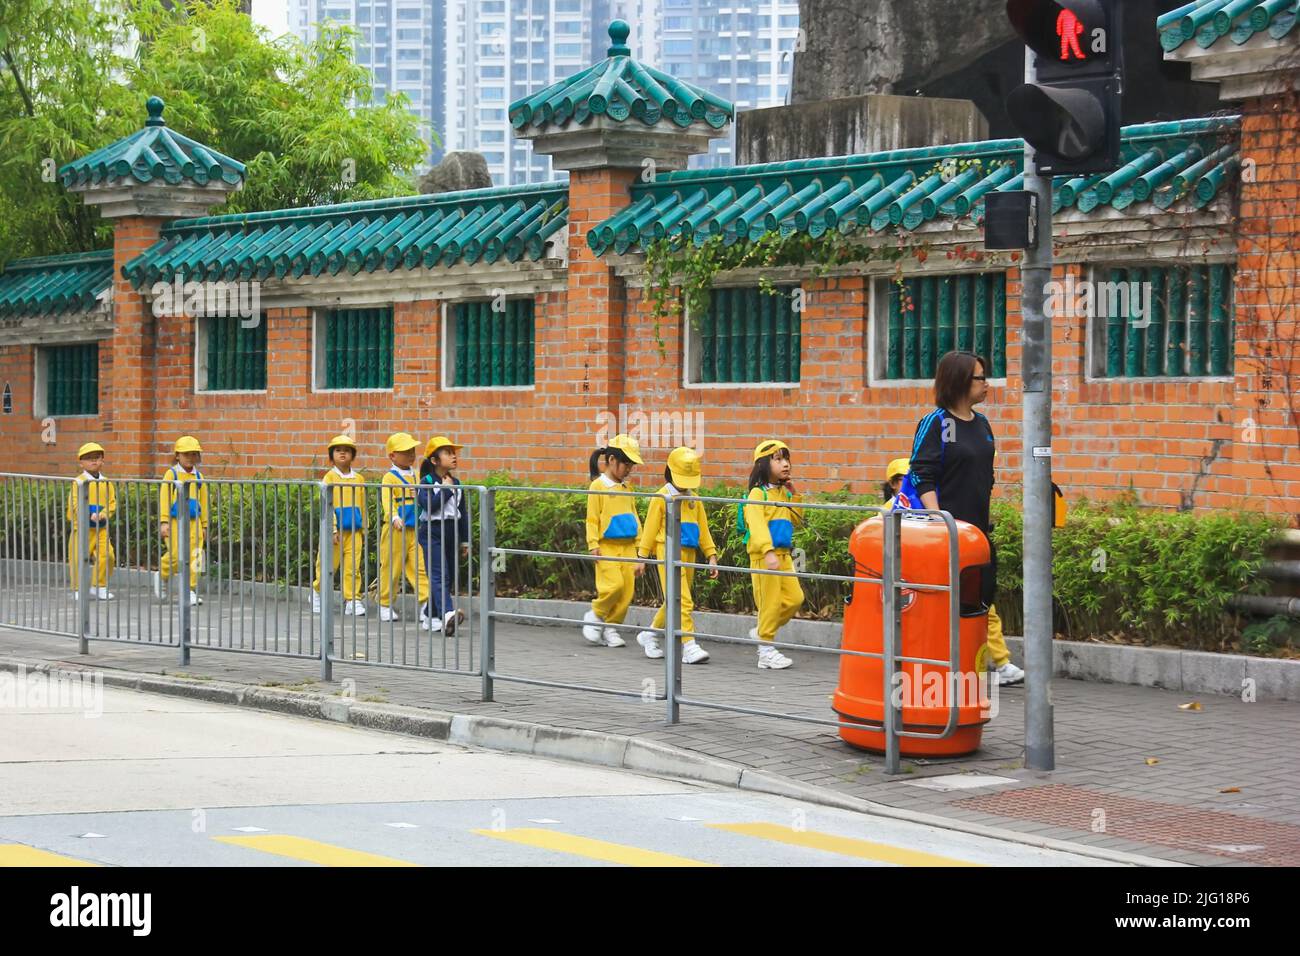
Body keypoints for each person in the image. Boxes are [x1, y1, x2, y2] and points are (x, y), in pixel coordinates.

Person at [906, 350, 1024, 686]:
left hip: (978, 534)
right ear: (959, 380)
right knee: (945, 607)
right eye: (980, 377)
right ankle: (939, 673)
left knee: (980, 602)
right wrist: (941, 523)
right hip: (946, 535)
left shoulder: (983, 424)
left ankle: (975, 668)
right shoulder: (937, 423)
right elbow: (921, 474)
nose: (987, 383)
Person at [635, 447, 718, 664]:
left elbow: (703, 529)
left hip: (688, 553)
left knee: (674, 599)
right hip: (668, 552)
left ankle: (650, 634)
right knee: (683, 600)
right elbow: (650, 528)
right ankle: (689, 644)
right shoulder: (662, 497)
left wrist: (711, 554)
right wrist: (642, 557)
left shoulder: (694, 499)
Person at [740, 439, 804, 670]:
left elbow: (796, 519)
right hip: (764, 557)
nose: (785, 464)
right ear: (763, 465)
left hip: (784, 555)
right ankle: (765, 650)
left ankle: (761, 632)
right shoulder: (758, 494)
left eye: (786, 459)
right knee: (770, 604)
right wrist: (767, 551)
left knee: (795, 599)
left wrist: (795, 495)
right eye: (778, 459)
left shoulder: (782, 493)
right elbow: (756, 525)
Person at [582, 434, 645, 647]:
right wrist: (593, 544)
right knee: (613, 586)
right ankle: (596, 615)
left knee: (627, 591)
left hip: (628, 547)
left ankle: (611, 626)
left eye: (631, 465)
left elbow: (634, 515)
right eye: (626, 464)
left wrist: (640, 550)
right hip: (606, 546)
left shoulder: (627, 488)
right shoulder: (597, 486)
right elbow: (592, 518)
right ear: (611, 460)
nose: (629, 469)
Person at [418, 435, 471, 635]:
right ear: (434, 460)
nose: (453, 456)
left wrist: (464, 540)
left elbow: (462, 513)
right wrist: (447, 491)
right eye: (447, 453)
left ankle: (431, 615)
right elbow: (429, 506)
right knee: (440, 574)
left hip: (451, 531)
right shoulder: (427, 481)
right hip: (432, 531)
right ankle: (447, 613)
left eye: (453, 453)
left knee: (447, 576)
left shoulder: (456, 482)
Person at [378, 432, 430, 624]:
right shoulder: (389, 478)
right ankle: (385, 603)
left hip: (415, 529)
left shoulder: (417, 475)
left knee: (420, 567)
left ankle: (426, 603)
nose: (410, 454)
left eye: (412, 450)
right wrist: (393, 516)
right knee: (391, 567)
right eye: (405, 451)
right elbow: (387, 499)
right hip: (396, 530)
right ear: (392, 455)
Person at [312, 435, 367, 617]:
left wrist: (364, 526)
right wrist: (332, 528)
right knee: (328, 564)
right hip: (334, 531)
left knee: (353, 566)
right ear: (331, 455)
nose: (343, 453)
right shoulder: (329, 477)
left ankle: (352, 599)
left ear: (353, 455)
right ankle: (317, 592)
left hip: (355, 530)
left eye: (347, 450)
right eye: (338, 450)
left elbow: (362, 503)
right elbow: (327, 505)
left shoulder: (359, 478)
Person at [155, 436, 209, 607]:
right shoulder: (171, 474)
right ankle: (162, 574)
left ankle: (190, 590)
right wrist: (164, 522)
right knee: (176, 554)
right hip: (175, 521)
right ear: (177, 455)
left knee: (197, 555)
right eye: (187, 454)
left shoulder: (199, 476)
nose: (191, 458)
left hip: (195, 522)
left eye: (194, 454)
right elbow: (164, 498)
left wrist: (205, 525)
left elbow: (205, 502)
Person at [66, 442, 116, 600]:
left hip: (101, 527)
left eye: (97, 458)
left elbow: (112, 503)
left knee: (107, 555)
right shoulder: (78, 482)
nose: (93, 461)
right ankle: (77, 588)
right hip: (81, 528)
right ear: (80, 462)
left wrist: (104, 513)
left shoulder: (106, 482)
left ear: (103, 460)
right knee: (78, 557)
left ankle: (98, 585)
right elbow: (74, 503)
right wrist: (87, 514)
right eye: (88, 458)